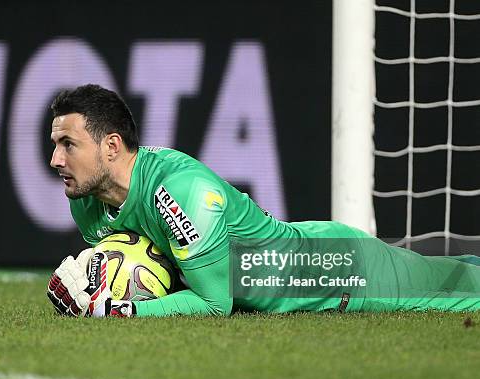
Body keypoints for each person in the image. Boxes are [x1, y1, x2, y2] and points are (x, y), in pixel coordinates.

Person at [46, 84, 480, 318]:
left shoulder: (181, 192)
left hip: (333, 273)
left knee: (463, 289)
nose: (55, 159)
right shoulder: (85, 201)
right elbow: (154, 266)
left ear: (111, 146)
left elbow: (216, 303)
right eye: (55, 145)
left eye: (69, 144)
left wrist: (114, 310)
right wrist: (97, 283)